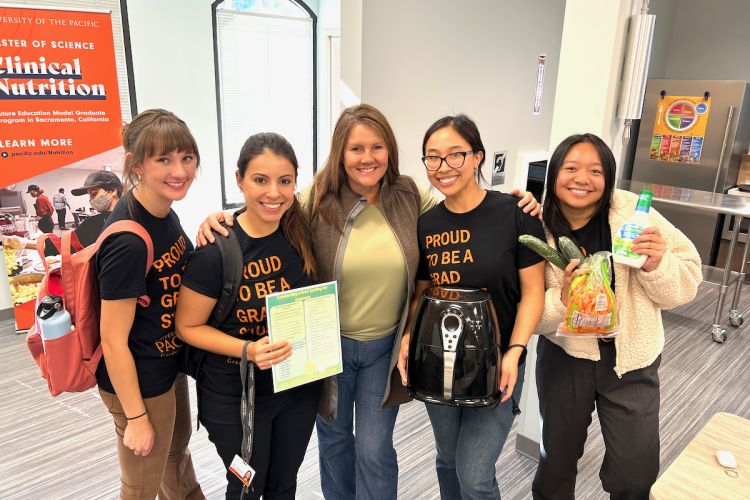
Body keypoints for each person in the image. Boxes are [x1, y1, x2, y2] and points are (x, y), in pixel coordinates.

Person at [197, 104, 539, 500]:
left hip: (385, 349)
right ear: (341, 153)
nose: (367, 158)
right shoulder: (318, 199)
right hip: (327, 348)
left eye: (377, 147)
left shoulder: (409, 195)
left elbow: (459, 211)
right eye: (356, 148)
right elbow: (271, 206)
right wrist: (221, 218)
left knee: (374, 449)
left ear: (389, 151)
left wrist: (520, 203)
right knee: (335, 441)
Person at [531, 133, 701, 499]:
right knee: (555, 464)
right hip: (565, 358)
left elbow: (687, 280)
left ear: (608, 178)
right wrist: (563, 300)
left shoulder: (634, 213)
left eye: (595, 170)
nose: (582, 179)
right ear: (553, 174)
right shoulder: (538, 228)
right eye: (570, 168)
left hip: (632, 361)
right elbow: (528, 312)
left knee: (634, 475)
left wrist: (658, 264)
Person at [396, 114, 546, 499]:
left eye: (455, 155)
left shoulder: (515, 214)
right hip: (438, 361)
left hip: (498, 363)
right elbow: (424, 293)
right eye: (432, 157)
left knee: (475, 474)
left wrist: (515, 351)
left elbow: (533, 292)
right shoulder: (427, 224)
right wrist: (410, 336)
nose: (443, 167)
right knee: (447, 458)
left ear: (478, 157)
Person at [176, 132, 321, 499]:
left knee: (283, 484)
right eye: (260, 180)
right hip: (235, 396)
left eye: (284, 181)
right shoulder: (216, 250)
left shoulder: (300, 230)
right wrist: (248, 349)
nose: (274, 192)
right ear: (239, 179)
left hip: (296, 388)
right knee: (247, 486)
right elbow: (187, 326)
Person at [95, 109, 205, 500]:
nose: (180, 170)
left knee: (175, 459)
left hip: (165, 363)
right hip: (137, 380)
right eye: (164, 159)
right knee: (141, 486)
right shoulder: (128, 240)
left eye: (186, 157)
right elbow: (112, 340)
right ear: (136, 164)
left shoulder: (162, 211)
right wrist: (136, 417)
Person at [70, 170, 124, 245]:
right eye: (89, 195)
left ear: (113, 191)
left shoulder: (133, 218)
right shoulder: (91, 223)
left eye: (94, 193)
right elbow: (69, 243)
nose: (91, 199)